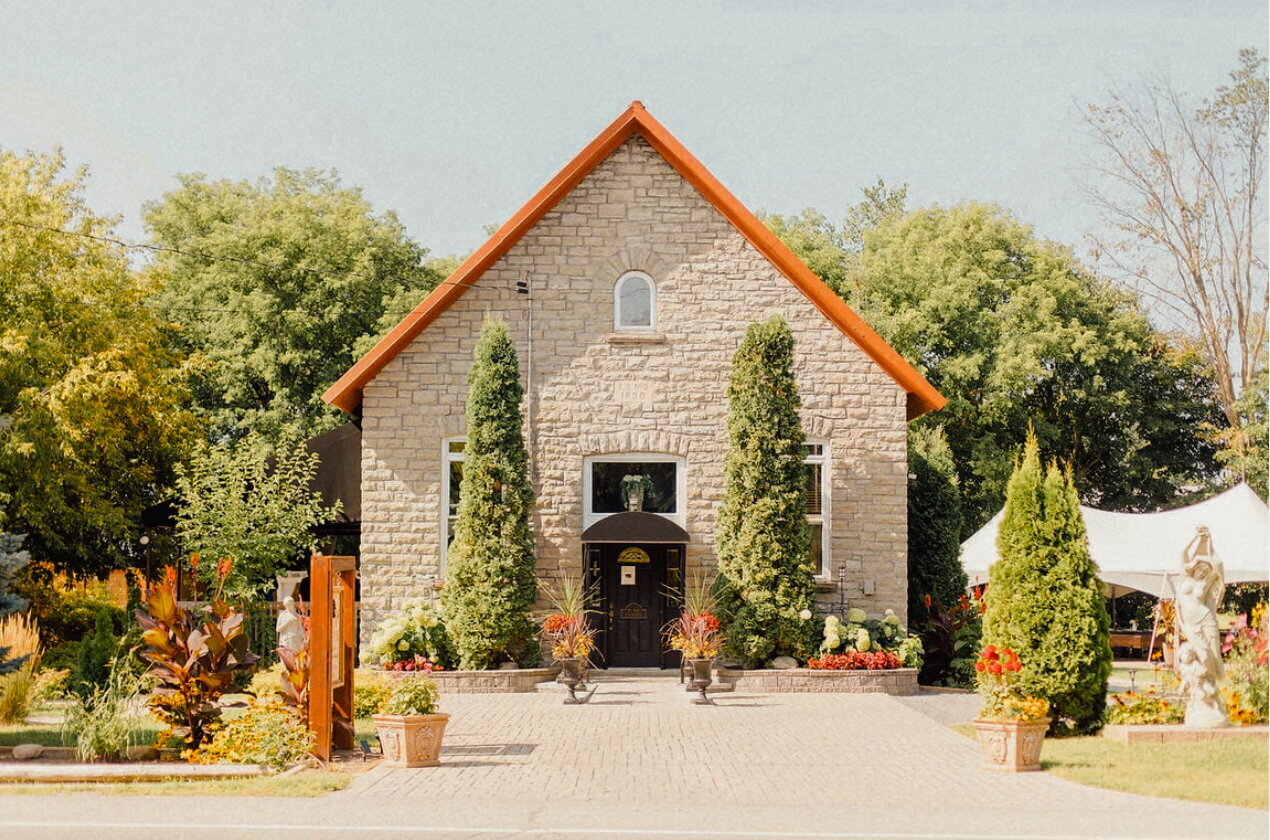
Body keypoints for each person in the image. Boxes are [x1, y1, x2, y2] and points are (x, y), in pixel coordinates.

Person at [1175, 527, 1227, 727]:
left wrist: (1210, 542)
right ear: (1195, 567)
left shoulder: (1207, 581)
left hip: (1206, 620)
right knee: (1201, 655)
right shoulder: (1185, 576)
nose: (1203, 571)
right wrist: (1197, 539)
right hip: (1190, 624)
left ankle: (1211, 696)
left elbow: (1218, 565)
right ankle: (1200, 694)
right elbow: (1183, 551)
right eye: (1200, 568)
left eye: (1205, 569)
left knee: (1212, 656)